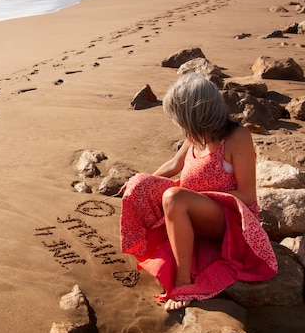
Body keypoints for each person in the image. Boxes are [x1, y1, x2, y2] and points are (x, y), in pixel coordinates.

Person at [119, 73, 277, 311]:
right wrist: (139, 182)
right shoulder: (195, 135)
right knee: (140, 184)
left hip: (230, 220)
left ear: (196, 113)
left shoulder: (237, 137)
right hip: (191, 208)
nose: (178, 122)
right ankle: (155, 237)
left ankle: (183, 281)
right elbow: (174, 165)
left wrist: (195, 199)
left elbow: (247, 195)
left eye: (181, 116)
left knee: (174, 197)